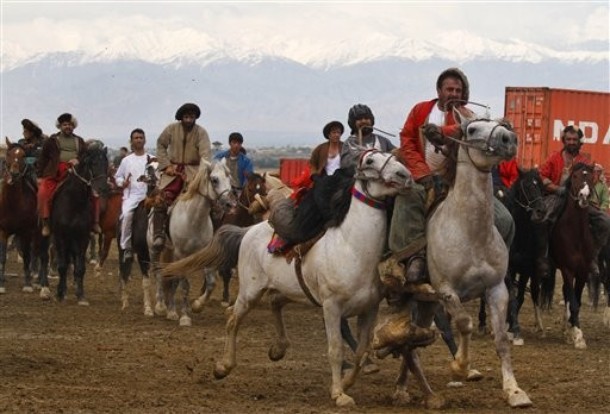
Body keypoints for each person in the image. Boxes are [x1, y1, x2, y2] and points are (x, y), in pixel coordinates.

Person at [385, 68, 515, 289]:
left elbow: (464, 130)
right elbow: (407, 140)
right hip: (423, 177)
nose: (454, 93)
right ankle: (412, 258)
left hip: (458, 183)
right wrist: (422, 173)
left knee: (505, 219)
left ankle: (497, 266)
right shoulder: (420, 110)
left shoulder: (469, 117)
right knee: (407, 200)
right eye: (449, 89)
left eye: (458, 90)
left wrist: (442, 132)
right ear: (439, 91)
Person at [539, 125, 610, 275]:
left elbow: (591, 180)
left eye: (574, 139)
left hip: (578, 199)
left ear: (579, 141)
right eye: (569, 139)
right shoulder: (554, 157)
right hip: (556, 197)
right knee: (543, 220)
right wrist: (555, 188)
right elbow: (542, 175)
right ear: (564, 140)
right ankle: (544, 256)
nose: (571, 142)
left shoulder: (585, 159)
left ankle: (593, 256)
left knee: (605, 222)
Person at [152, 102, 212, 248]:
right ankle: (158, 234)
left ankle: (214, 238)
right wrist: (166, 165)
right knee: (161, 200)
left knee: (211, 203)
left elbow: (205, 155)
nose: (189, 119)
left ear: (195, 117)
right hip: (173, 172)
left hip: (194, 173)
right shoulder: (171, 129)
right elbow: (160, 145)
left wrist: (200, 174)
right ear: (181, 117)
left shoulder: (201, 133)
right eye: (186, 116)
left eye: (192, 116)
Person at [37, 113, 101, 236]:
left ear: (73, 127)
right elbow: (43, 158)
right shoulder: (51, 141)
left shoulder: (79, 141)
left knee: (94, 194)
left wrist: (78, 160)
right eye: (65, 125)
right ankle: (46, 223)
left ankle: (95, 222)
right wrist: (40, 176)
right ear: (60, 126)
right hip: (55, 172)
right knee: (43, 192)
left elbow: (84, 155)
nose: (68, 127)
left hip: (76, 171)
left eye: (70, 125)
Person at [114, 129, 153, 261]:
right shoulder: (126, 160)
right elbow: (118, 177)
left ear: (145, 140)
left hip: (149, 195)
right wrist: (122, 183)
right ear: (131, 141)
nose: (139, 140)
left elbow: (158, 177)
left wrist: (152, 181)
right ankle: (127, 248)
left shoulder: (152, 159)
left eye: (141, 137)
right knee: (126, 216)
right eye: (136, 138)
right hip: (132, 196)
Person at [340, 104, 396, 170]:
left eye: (366, 118)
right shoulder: (349, 143)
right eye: (359, 119)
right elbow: (345, 165)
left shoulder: (382, 140)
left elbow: (396, 158)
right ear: (353, 123)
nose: (363, 121)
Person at [17, 118, 46, 188]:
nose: (23, 133)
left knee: (41, 187)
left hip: (38, 173)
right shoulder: (21, 142)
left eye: (25, 131)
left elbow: (42, 159)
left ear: (32, 132)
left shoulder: (43, 143)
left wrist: (34, 147)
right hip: (22, 171)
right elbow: (18, 157)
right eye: (23, 131)